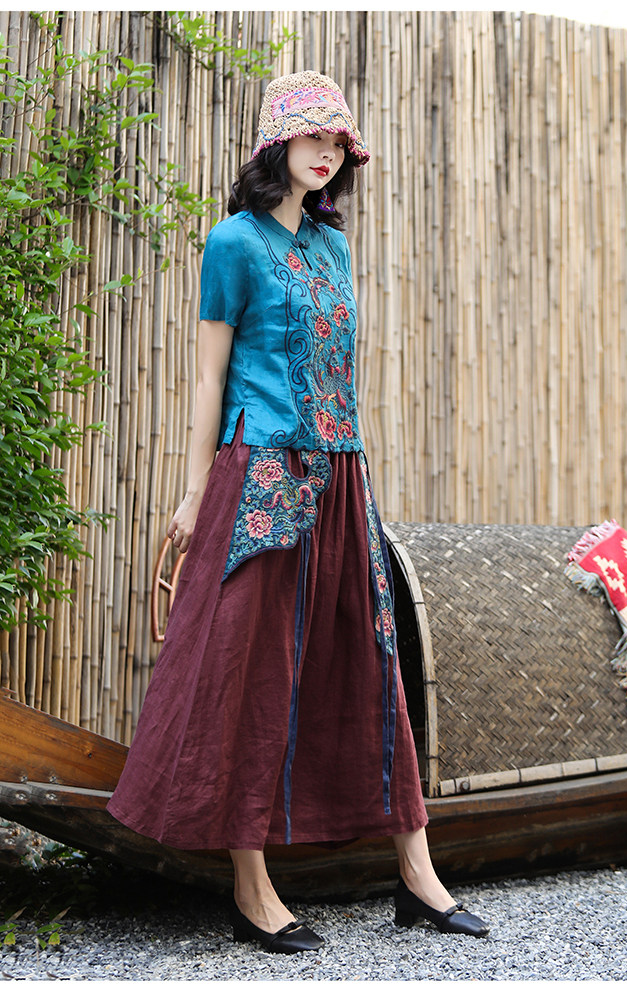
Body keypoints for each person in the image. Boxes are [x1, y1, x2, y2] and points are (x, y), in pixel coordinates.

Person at [107, 71, 490, 954]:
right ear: (277, 143)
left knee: (371, 661)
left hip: (342, 474)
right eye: (314, 137)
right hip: (262, 476)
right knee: (246, 671)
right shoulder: (232, 244)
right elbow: (209, 378)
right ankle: (251, 887)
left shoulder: (332, 248)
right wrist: (194, 491)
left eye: (339, 143)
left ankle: (418, 876)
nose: (328, 154)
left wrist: (351, 463)